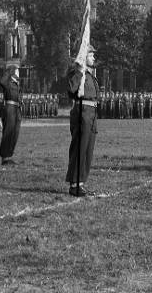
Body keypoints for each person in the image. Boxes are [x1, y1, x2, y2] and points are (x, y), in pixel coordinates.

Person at [66, 46, 99, 196]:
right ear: (83, 57)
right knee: (80, 148)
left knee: (88, 149)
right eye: (91, 55)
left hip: (91, 113)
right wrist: (79, 72)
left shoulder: (90, 75)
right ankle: (74, 184)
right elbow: (71, 90)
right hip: (82, 112)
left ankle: (81, 182)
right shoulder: (77, 73)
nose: (93, 58)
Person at [0, 63, 22, 166]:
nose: (18, 72)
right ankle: (4, 157)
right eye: (17, 70)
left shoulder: (16, 83)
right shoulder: (7, 82)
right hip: (9, 108)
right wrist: (9, 70)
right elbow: (2, 82)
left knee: (15, 133)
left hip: (16, 109)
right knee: (8, 132)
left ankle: (9, 156)